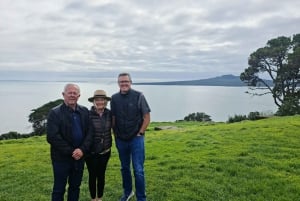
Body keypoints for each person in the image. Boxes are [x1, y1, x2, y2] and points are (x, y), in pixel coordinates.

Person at [47, 83, 92, 201]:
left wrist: (81, 150)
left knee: (75, 187)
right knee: (59, 189)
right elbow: (52, 137)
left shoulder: (84, 111)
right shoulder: (54, 113)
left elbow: (90, 133)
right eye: (69, 93)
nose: (72, 95)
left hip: (79, 158)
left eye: (75, 93)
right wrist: (73, 151)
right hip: (61, 159)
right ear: (63, 95)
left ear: (79, 96)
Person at [110, 72, 151, 201]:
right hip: (121, 139)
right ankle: (128, 193)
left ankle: (141, 198)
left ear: (130, 82)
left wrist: (140, 133)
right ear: (118, 83)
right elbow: (113, 117)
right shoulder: (114, 98)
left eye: (126, 81)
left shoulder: (139, 96)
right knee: (124, 168)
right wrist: (114, 132)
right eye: (121, 82)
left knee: (138, 170)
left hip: (136, 139)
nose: (124, 84)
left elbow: (147, 117)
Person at [85, 90, 113, 201]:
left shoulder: (109, 114)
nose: (100, 102)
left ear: (106, 101)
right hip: (91, 152)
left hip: (105, 151)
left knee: (101, 175)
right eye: (97, 100)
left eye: (102, 99)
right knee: (92, 175)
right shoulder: (87, 114)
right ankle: (93, 198)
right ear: (93, 101)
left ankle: (100, 198)